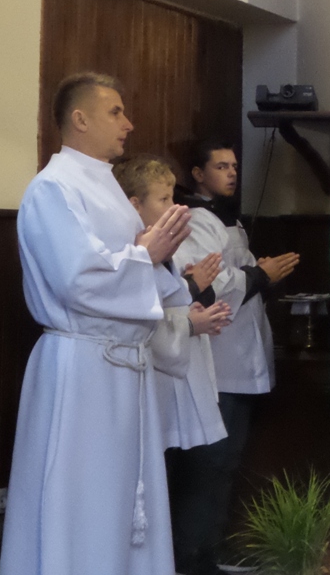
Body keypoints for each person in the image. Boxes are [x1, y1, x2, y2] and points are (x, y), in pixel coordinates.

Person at [0, 72, 191, 575]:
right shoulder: (53, 188)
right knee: (81, 499)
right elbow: (76, 278)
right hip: (83, 366)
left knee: (126, 500)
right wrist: (146, 255)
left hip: (123, 370)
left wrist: (156, 257)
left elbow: (134, 266)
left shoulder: (104, 185)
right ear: (80, 119)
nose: (128, 123)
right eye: (115, 112)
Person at [168, 140, 300, 575]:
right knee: (207, 464)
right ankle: (192, 556)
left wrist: (261, 273)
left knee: (226, 464)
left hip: (240, 355)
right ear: (197, 174)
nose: (231, 173)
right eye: (221, 166)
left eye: (234, 167)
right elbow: (208, 284)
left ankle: (211, 549)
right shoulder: (193, 219)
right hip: (216, 361)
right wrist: (261, 274)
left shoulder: (228, 218)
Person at [114, 154, 231, 450]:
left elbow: (169, 300)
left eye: (173, 197)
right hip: (154, 378)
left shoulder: (164, 247)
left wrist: (190, 309)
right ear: (135, 205)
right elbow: (140, 322)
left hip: (178, 372)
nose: (175, 207)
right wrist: (190, 324)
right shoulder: (129, 252)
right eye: (164, 199)